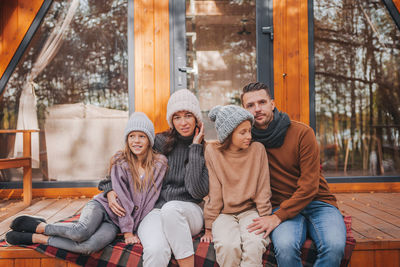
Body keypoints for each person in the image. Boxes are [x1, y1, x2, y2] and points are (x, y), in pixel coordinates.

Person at [5, 112, 167, 255]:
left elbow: (149, 199)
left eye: (142, 136)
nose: (136, 141)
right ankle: (40, 227)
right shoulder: (120, 160)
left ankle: (37, 238)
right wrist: (127, 232)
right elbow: (122, 197)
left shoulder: (159, 164)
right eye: (132, 136)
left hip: (115, 223)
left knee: (88, 247)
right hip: (103, 206)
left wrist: (133, 227)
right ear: (127, 139)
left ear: (149, 139)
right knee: (80, 232)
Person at [98, 89, 209, 267]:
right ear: (171, 120)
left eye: (188, 115)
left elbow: (197, 190)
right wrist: (109, 190)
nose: (183, 122)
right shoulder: (159, 142)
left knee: (171, 209)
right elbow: (124, 163)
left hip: (191, 211)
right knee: (156, 249)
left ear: (196, 118)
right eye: (177, 117)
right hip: (155, 211)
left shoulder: (205, 148)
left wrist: (195, 148)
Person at [241, 82, 346, 267]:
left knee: (335, 246)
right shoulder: (246, 140)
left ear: (272, 104)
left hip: (317, 202)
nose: (257, 109)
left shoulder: (302, 133)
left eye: (262, 102)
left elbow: (310, 187)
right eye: (250, 105)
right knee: (285, 247)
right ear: (244, 110)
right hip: (280, 203)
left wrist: (277, 217)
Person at [200, 105, 272, 267]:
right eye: (242, 132)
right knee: (228, 246)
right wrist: (209, 226)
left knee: (254, 244)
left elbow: (263, 189)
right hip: (224, 215)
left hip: (250, 211)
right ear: (228, 134)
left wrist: (265, 216)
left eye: (249, 130)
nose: (249, 136)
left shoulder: (257, 150)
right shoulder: (213, 152)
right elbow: (215, 192)